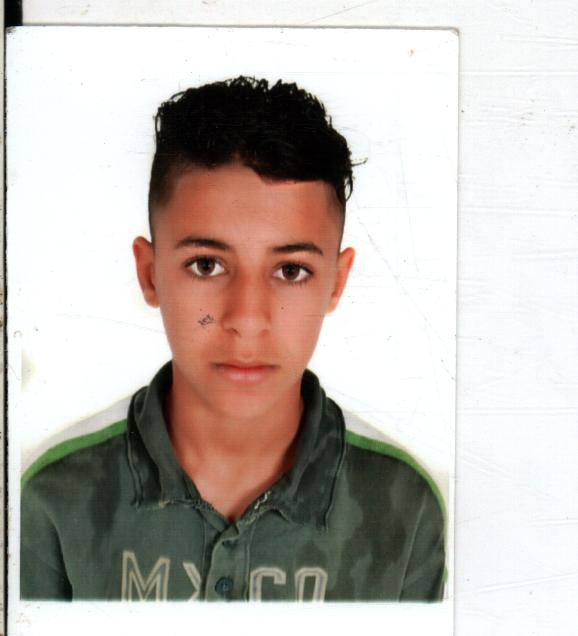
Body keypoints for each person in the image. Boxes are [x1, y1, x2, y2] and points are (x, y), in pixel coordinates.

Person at [20, 76, 445, 601]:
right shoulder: (52, 496)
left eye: (290, 271)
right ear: (150, 274)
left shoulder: (406, 506)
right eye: (207, 265)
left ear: (336, 282)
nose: (246, 319)